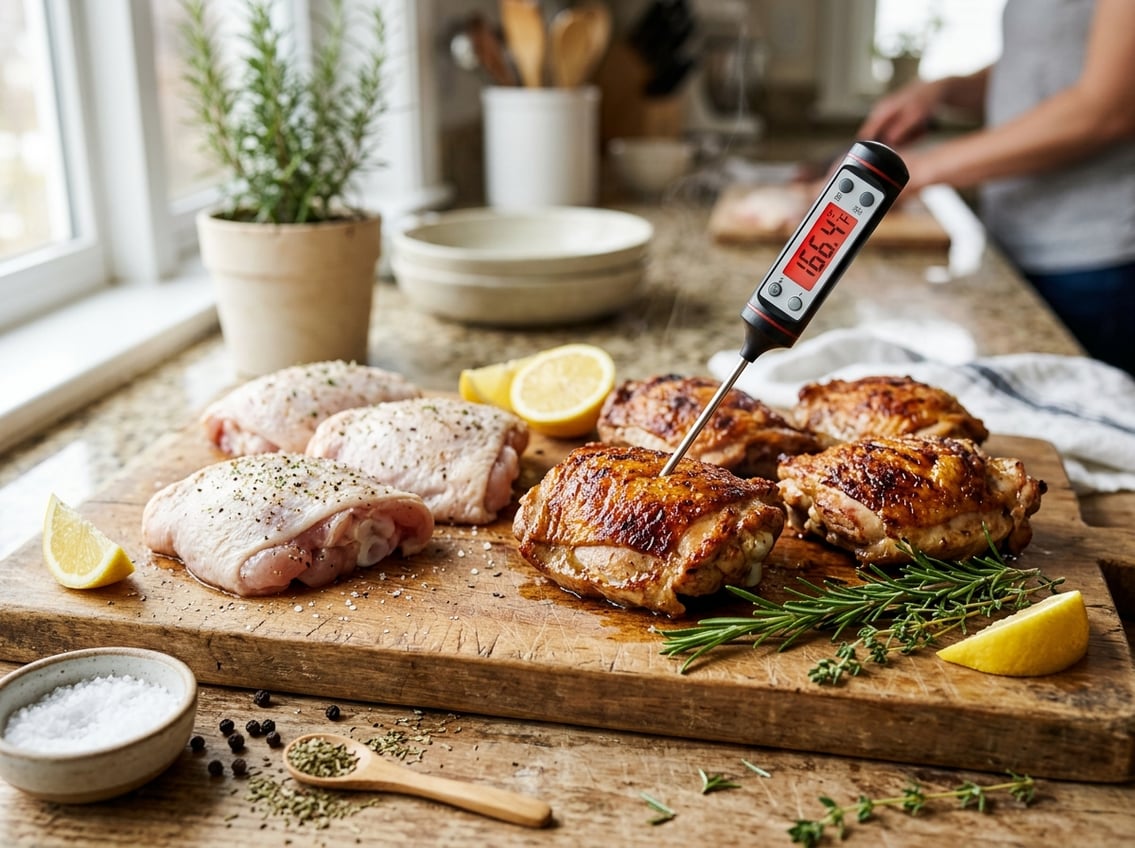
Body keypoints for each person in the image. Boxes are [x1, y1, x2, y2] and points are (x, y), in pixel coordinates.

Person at [857, 0, 1135, 376]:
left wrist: (921, 169)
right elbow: (1043, 67)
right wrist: (944, 89)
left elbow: (1107, 109)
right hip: (1018, 245)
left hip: (1096, 261)